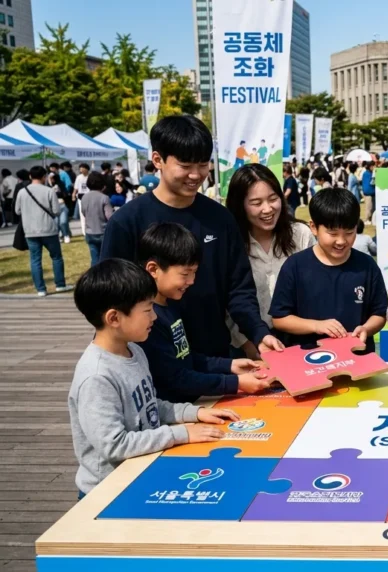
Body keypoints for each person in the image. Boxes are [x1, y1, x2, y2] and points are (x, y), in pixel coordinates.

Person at [101, 115, 284, 359]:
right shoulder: (127, 221)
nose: (196, 175)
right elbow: (109, 296)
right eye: (185, 166)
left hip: (215, 355)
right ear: (158, 160)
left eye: (203, 164)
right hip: (153, 360)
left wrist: (259, 333)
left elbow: (239, 289)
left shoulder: (220, 218)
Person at [68, 259, 237, 497]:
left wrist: (193, 413)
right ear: (114, 318)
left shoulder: (134, 350)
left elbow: (149, 405)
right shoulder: (96, 377)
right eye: (148, 310)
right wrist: (181, 434)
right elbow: (115, 445)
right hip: (106, 491)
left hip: (141, 472)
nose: (155, 317)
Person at [136, 222, 269, 404]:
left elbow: (185, 357)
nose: (192, 281)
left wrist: (230, 365)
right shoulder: (147, 320)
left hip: (191, 402)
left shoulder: (171, 303)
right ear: (153, 269)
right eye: (185, 274)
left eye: (195, 272)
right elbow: (176, 378)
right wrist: (234, 382)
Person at [270, 188, 388, 350]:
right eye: (332, 234)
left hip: (357, 360)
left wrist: (366, 329)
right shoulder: (295, 266)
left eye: (349, 233)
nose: (341, 241)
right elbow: (280, 318)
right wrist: (316, 326)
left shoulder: (367, 266)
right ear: (313, 227)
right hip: (308, 360)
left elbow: (380, 313)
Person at [224, 164, 317, 358]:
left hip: (300, 342)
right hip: (247, 346)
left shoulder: (300, 236)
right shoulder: (231, 243)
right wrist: (248, 343)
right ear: (239, 205)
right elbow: (229, 300)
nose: (267, 209)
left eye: (273, 199)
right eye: (256, 203)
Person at [16, 166, 70, 296]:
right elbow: (57, 211)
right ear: (44, 177)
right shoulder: (49, 191)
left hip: (30, 230)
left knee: (35, 260)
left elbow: (17, 211)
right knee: (56, 257)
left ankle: (41, 289)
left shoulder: (22, 192)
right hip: (49, 229)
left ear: (30, 176)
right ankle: (60, 285)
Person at [81, 173, 113, 267]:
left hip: (90, 232)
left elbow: (83, 212)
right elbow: (109, 216)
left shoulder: (84, 197)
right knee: (106, 259)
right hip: (103, 232)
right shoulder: (104, 197)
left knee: (94, 259)